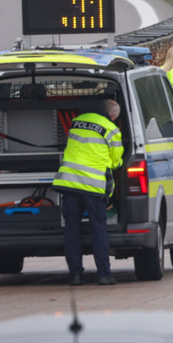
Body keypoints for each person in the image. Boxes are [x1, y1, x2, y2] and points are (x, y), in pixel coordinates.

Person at [52, 99, 124, 286]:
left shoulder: (77, 121)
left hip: (70, 183)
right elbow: (116, 160)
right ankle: (103, 275)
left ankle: (75, 275)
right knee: (98, 229)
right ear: (113, 116)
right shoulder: (111, 129)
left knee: (72, 230)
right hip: (93, 186)